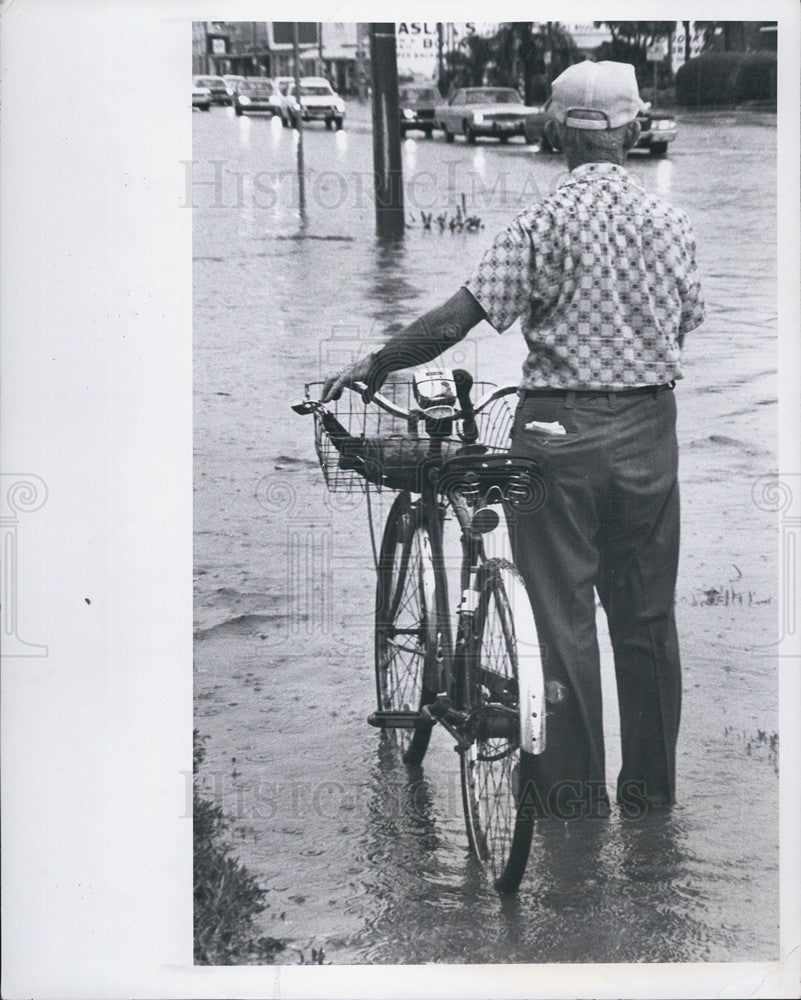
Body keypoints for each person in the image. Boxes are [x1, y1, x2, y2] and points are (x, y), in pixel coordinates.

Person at [322, 61, 704, 819]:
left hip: (555, 439)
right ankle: (650, 801)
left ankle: (571, 807)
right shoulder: (671, 223)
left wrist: (375, 361)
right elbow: (685, 321)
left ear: (555, 130)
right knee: (647, 620)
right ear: (632, 129)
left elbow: (451, 323)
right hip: (648, 436)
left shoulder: (537, 226)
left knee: (559, 626)